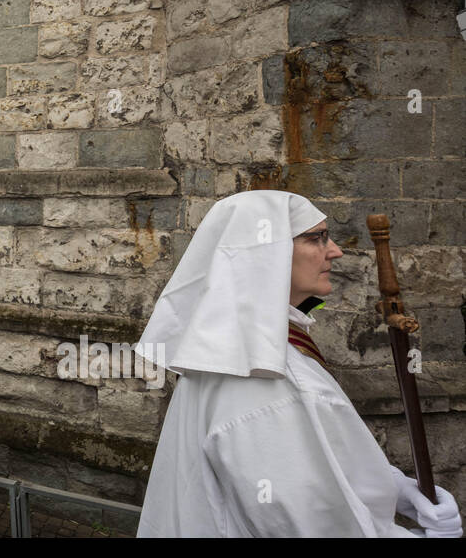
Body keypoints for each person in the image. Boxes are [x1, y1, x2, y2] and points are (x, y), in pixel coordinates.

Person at [135, 189, 462, 538]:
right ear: (266, 253)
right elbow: (307, 526)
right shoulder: (266, 381)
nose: (335, 251)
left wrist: (394, 489)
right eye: (316, 238)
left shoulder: (231, 348)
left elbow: (319, 462)